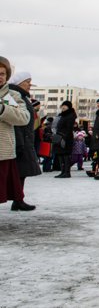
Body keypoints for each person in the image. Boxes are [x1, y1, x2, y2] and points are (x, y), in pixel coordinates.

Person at [0, 57, 34, 211]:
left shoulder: (9, 95)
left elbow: (24, 117)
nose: (0, 77)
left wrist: (2, 109)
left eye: (2, 73)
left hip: (3, 152)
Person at [8, 71, 41, 209]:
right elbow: (14, 118)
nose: (30, 85)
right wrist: (20, 141)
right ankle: (18, 199)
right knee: (18, 172)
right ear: (19, 83)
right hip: (18, 140)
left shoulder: (22, 96)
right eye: (27, 81)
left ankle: (18, 199)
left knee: (22, 172)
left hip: (24, 139)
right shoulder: (11, 96)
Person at [53, 100, 76, 179]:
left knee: (65, 155)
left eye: (65, 106)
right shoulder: (62, 115)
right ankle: (62, 171)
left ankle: (67, 172)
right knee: (60, 155)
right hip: (60, 137)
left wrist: (63, 136)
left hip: (66, 138)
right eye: (62, 106)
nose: (63, 107)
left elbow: (69, 128)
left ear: (68, 107)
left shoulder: (70, 115)